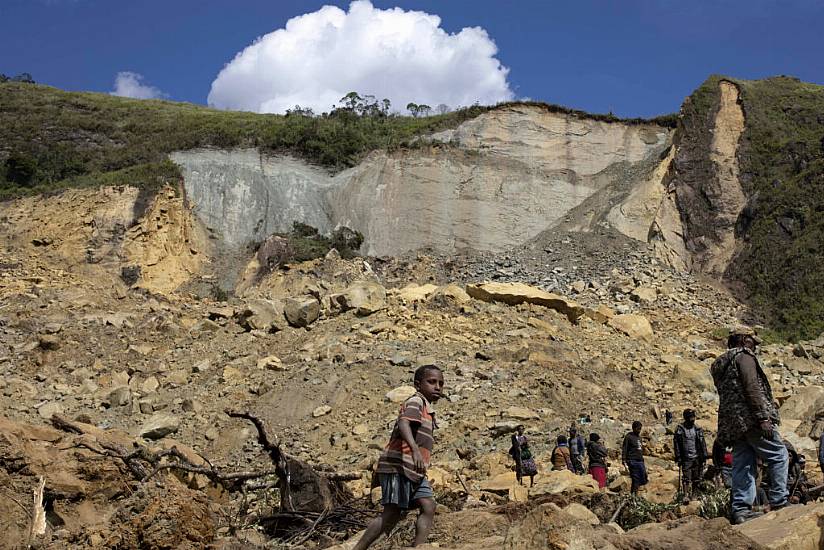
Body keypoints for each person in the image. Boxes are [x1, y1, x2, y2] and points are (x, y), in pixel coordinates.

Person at [354, 366, 444, 550]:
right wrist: (415, 450)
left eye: (441, 383)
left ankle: (418, 547)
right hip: (398, 466)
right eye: (432, 382)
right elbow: (404, 422)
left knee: (428, 506)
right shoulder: (416, 402)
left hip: (414, 470)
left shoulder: (428, 408)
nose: (438, 387)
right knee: (392, 512)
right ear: (418, 384)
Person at [711, 326, 789, 525]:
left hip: (733, 424)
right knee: (779, 455)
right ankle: (780, 501)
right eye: (752, 341)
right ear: (744, 340)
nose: (754, 346)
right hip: (751, 420)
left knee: (743, 464)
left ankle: (741, 511)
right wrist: (763, 417)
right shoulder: (744, 357)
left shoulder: (722, 363)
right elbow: (751, 387)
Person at [673, 409, 709, 502]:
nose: (693, 419)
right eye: (690, 417)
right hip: (686, 458)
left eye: (693, 417)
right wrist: (678, 457)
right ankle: (685, 495)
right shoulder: (680, 430)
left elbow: (702, 442)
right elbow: (676, 444)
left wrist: (704, 455)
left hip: (697, 457)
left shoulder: (697, 429)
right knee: (686, 477)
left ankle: (694, 495)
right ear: (686, 418)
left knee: (696, 477)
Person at [622, 421, 647, 495]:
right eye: (638, 429)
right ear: (633, 428)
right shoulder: (629, 437)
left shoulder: (639, 437)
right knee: (635, 478)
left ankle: (637, 493)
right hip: (632, 460)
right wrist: (624, 460)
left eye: (640, 429)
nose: (639, 430)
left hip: (640, 460)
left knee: (644, 477)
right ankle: (633, 495)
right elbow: (624, 448)